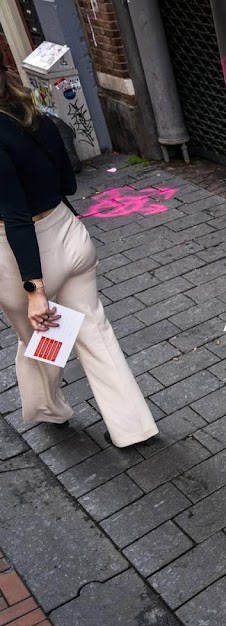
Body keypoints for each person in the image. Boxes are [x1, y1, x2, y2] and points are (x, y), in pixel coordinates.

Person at [0, 64, 157, 447]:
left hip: (20, 255)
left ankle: (48, 409)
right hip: (69, 235)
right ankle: (133, 428)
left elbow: (16, 217)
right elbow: (68, 181)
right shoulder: (37, 118)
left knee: (38, 338)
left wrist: (34, 289)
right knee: (94, 332)